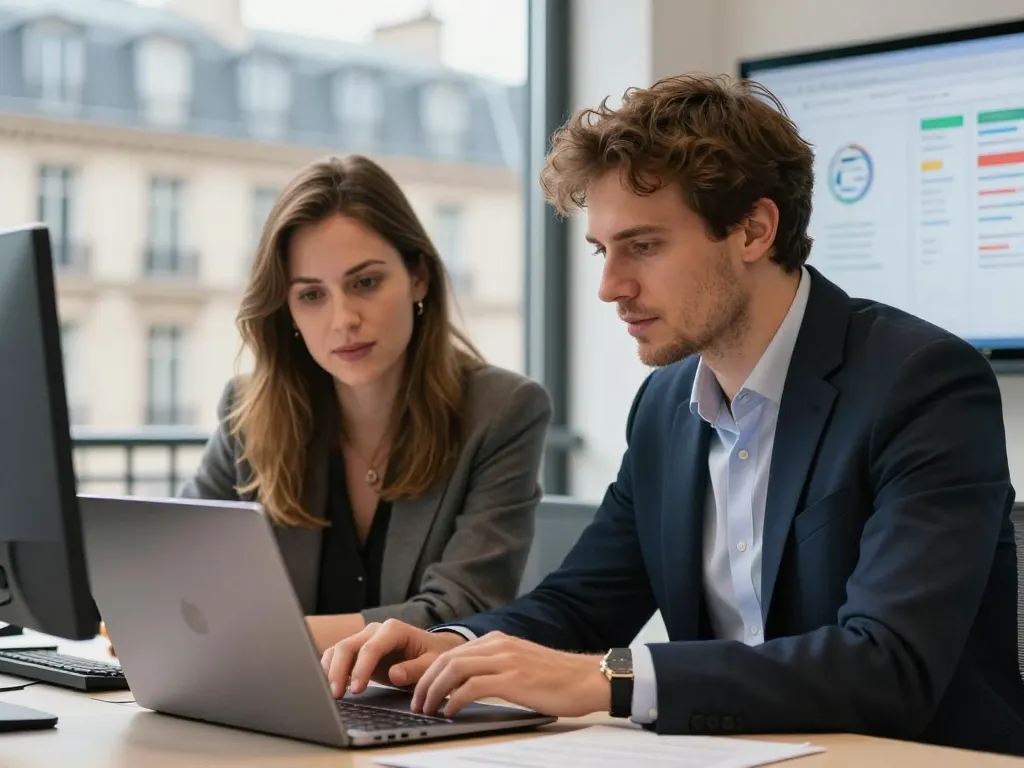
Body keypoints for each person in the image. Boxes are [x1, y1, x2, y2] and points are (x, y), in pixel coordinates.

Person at [320, 75, 1024, 756]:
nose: (609, 287)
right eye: (603, 249)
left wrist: (612, 679)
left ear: (752, 230)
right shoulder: (665, 406)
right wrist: (456, 646)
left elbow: (888, 663)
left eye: (644, 246)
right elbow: (580, 604)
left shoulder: (922, 384)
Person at [179, 155, 552, 653]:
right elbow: (178, 571)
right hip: (277, 703)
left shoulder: (504, 411)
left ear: (418, 276)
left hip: (421, 708)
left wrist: (251, 632)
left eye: (366, 283)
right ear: (287, 310)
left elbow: (458, 610)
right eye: (312, 295)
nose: (344, 319)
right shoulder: (249, 411)